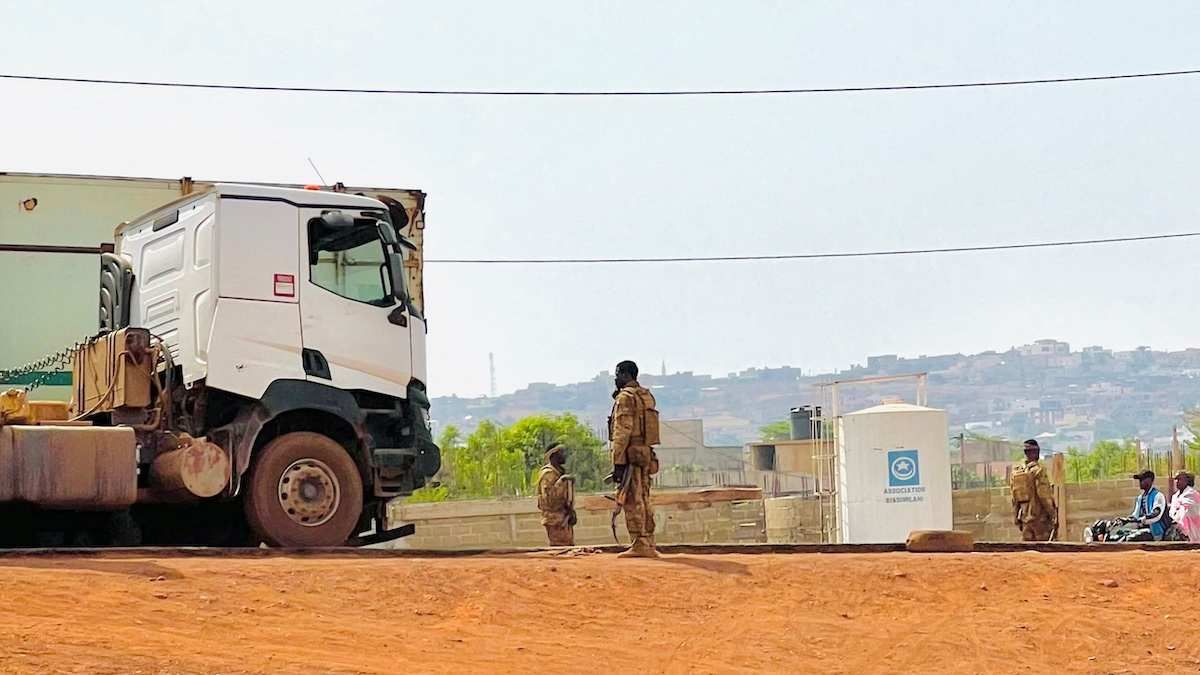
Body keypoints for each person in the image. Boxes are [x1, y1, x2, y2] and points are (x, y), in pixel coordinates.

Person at [609, 359, 661, 558]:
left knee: (632, 498)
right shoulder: (645, 396)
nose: (616, 378)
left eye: (618, 374)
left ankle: (639, 543)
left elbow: (623, 431)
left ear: (626, 374)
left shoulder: (626, 397)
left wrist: (617, 462)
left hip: (631, 455)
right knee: (645, 497)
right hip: (645, 453)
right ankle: (649, 541)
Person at [1010, 439, 1058, 541]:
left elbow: (1014, 498)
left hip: (1024, 520)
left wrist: (1016, 518)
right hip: (1040, 520)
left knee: (1027, 552)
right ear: (1036, 452)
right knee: (1044, 551)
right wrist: (1053, 514)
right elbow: (1044, 496)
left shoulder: (1017, 471)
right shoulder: (1039, 471)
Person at [536, 443, 576, 546]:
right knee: (560, 548)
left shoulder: (559, 472)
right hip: (554, 519)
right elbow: (549, 499)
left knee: (568, 546)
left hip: (564, 518)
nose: (565, 455)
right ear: (554, 455)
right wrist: (562, 481)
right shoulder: (548, 474)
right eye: (561, 452)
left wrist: (571, 511)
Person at [1126, 469, 1168, 541]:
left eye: (1141, 480)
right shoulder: (1140, 498)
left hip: (1156, 531)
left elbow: (1156, 513)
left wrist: (1144, 518)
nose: (1140, 482)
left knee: (1130, 539)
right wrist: (1125, 520)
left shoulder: (1158, 496)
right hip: (1143, 529)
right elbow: (1135, 516)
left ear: (1149, 480)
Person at [1169, 471, 1200, 542]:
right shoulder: (1175, 496)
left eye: (1179, 479)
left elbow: (1193, 510)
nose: (1176, 481)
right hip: (1177, 529)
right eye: (1175, 479)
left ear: (1186, 481)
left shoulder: (1193, 494)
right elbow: (1172, 511)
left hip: (1192, 527)